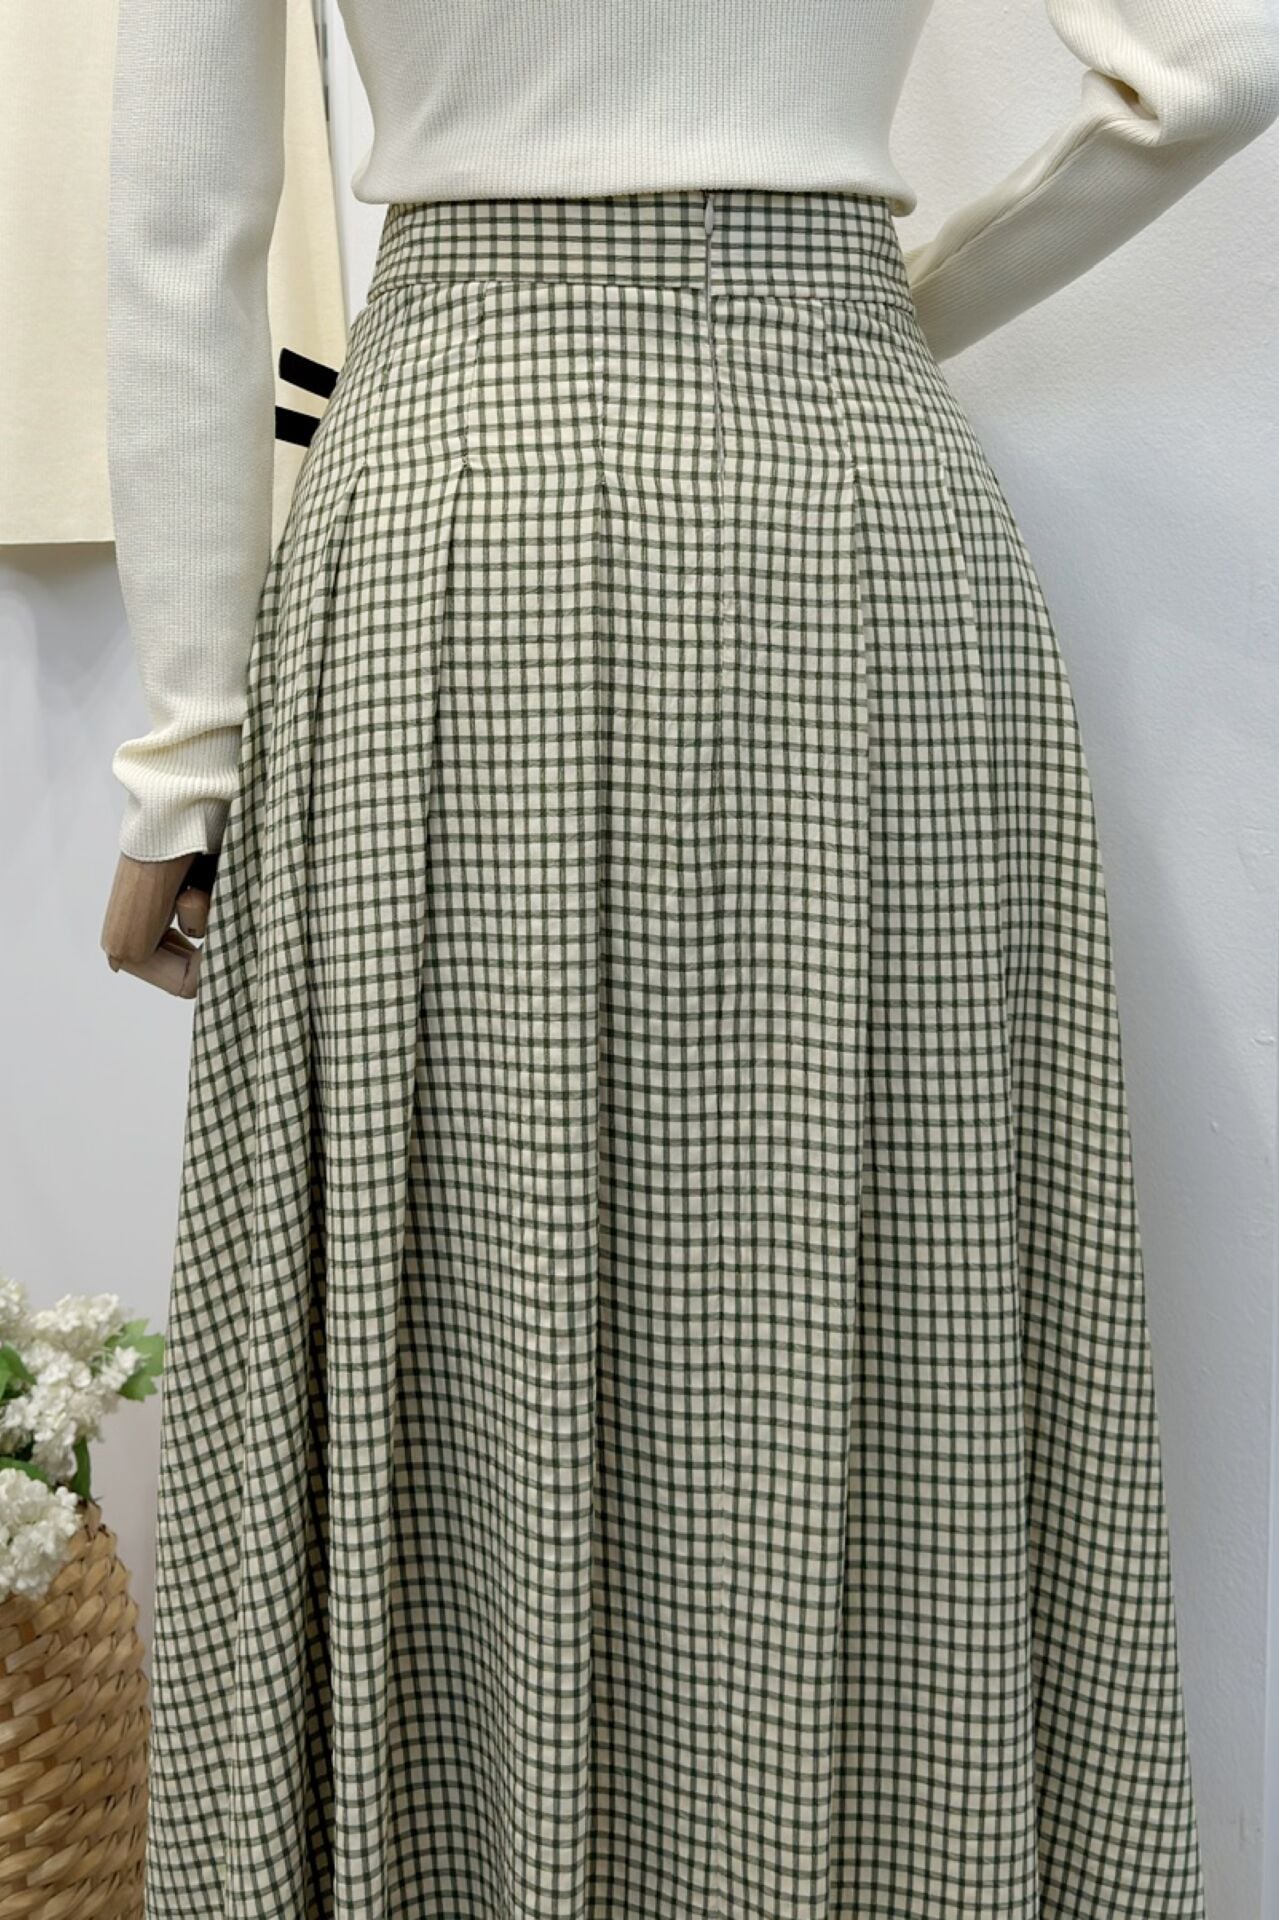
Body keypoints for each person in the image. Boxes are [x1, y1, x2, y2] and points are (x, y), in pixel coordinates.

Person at [99, 3, 1279, 1916]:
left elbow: (183, 238)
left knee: (467, 1290)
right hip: (853, 516)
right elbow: (1214, 70)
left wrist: (183, 763)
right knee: (874, 1279)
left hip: (455, 527)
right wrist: (874, 315)